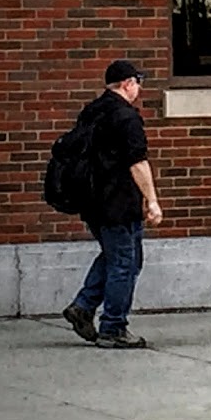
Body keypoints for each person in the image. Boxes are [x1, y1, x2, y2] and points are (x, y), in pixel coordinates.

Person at [62, 59, 162, 349]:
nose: (139, 89)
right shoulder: (126, 117)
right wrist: (152, 200)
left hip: (93, 200)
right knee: (124, 263)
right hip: (118, 202)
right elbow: (137, 162)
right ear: (128, 84)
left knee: (118, 256)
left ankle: (83, 306)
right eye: (137, 83)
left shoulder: (92, 112)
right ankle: (113, 326)